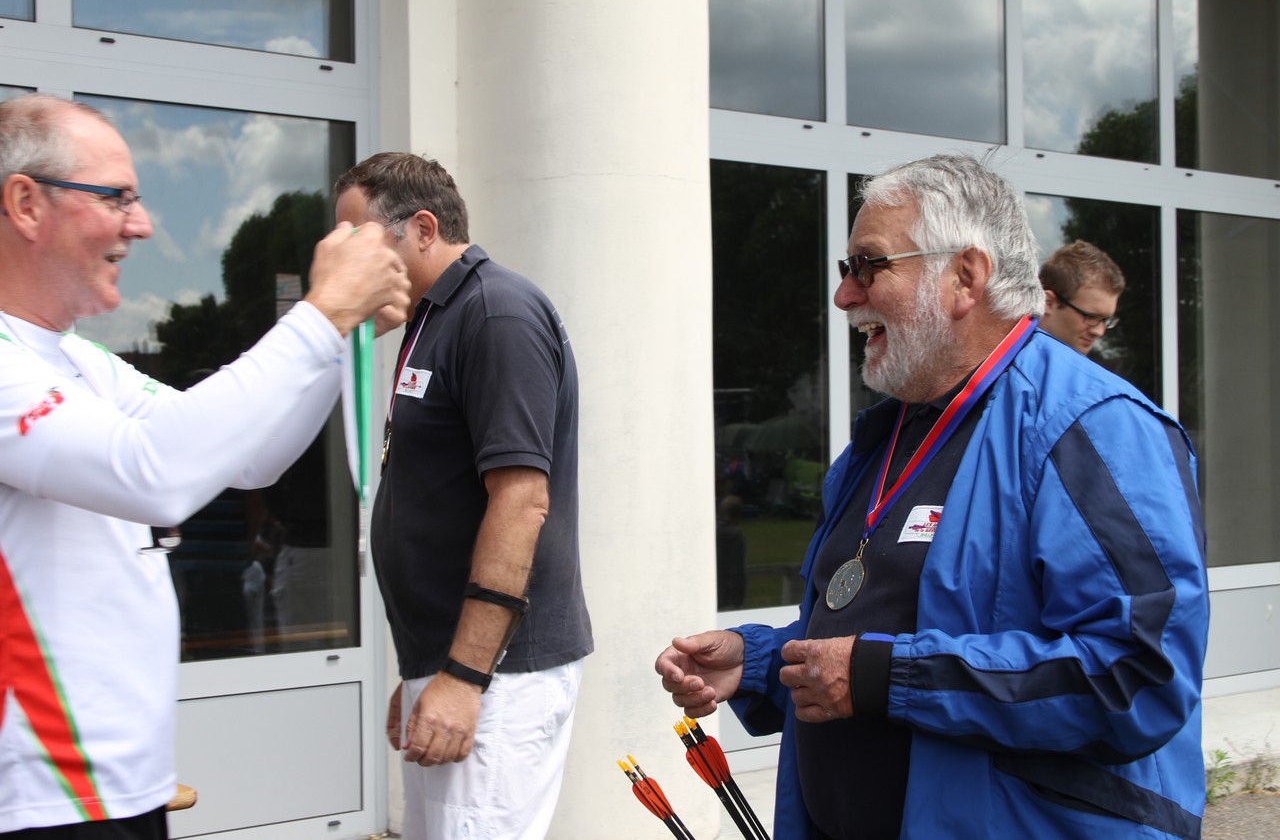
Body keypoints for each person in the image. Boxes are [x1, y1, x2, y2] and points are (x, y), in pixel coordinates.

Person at [656, 154, 1207, 839]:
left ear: (965, 277)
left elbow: (1138, 678)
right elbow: (887, 626)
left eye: (869, 265)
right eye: (846, 269)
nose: (845, 296)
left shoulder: (1092, 426)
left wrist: (886, 676)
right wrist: (764, 661)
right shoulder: (886, 437)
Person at [0, 93, 411, 837]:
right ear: (26, 203)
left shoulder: (82, 362)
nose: (142, 223)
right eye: (116, 197)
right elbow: (154, 471)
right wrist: (320, 317)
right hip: (39, 797)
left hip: (119, 788)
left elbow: (245, 458)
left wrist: (335, 336)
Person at [333, 153, 593, 839]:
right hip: (461, 665)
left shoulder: (495, 312)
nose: (342, 259)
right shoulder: (433, 318)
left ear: (422, 228)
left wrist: (462, 675)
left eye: (357, 238)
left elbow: (520, 502)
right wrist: (429, 671)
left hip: (498, 674)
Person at [1038, 239, 1125, 355]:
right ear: (1048, 303)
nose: (1100, 332)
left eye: (1106, 320)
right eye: (1091, 317)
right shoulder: (1008, 362)